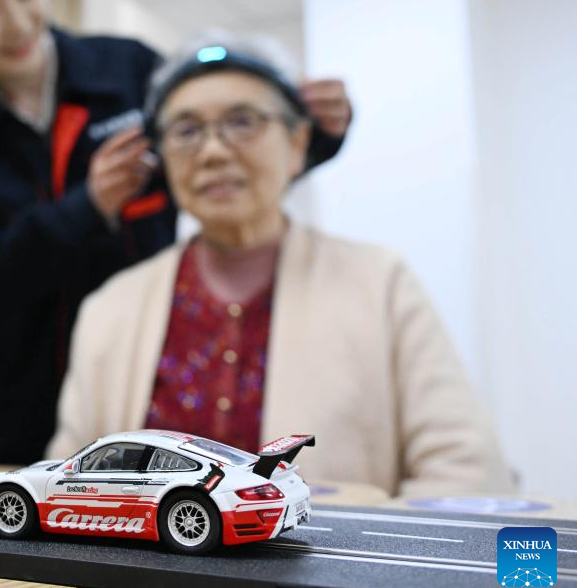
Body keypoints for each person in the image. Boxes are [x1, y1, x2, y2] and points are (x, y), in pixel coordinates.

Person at [0, 0, 353, 464]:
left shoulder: (126, 70)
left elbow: (219, 168)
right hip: (28, 397)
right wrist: (88, 206)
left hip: (153, 368)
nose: (19, 22)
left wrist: (317, 131)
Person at [48, 35, 513, 497]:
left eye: (242, 121)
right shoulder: (112, 308)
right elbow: (66, 483)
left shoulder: (381, 285)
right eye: (186, 131)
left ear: (297, 142)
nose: (212, 152)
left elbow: (465, 474)